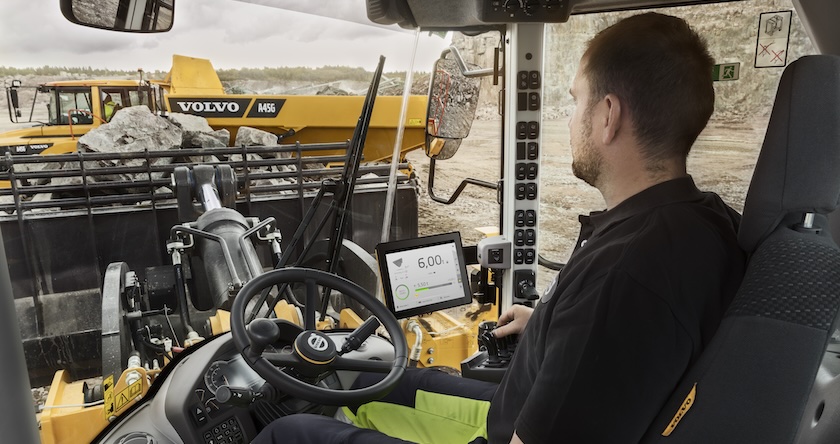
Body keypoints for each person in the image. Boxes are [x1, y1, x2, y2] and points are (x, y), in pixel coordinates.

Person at [254, 12, 746, 444]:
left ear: (608, 116)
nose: (571, 120)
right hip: (516, 404)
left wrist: (576, 331)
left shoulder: (623, 277)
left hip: (507, 431)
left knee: (287, 432)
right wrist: (551, 330)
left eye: (577, 103)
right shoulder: (705, 220)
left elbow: (609, 325)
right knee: (370, 381)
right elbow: (623, 349)